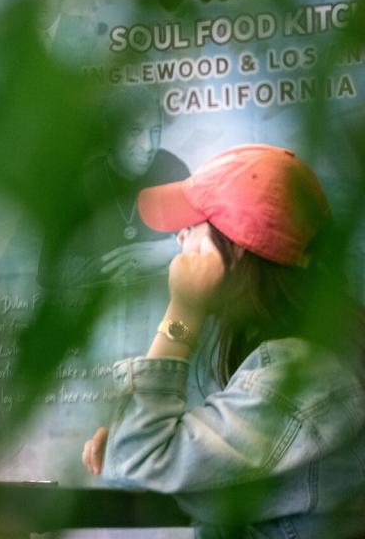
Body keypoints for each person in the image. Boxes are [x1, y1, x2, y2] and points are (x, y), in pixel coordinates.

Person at [81, 144, 365, 537]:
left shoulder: (304, 374)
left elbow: (140, 457)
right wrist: (130, 443)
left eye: (194, 226)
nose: (179, 238)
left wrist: (182, 313)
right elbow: (156, 458)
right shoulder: (300, 356)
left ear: (238, 248)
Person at [38, 88, 189, 289]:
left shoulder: (173, 169)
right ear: (113, 133)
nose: (148, 146)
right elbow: (50, 275)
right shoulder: (82, 184)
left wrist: (168, 251)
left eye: (156, 131)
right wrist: (110, 265)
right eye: (135, 131)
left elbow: (210, 244)